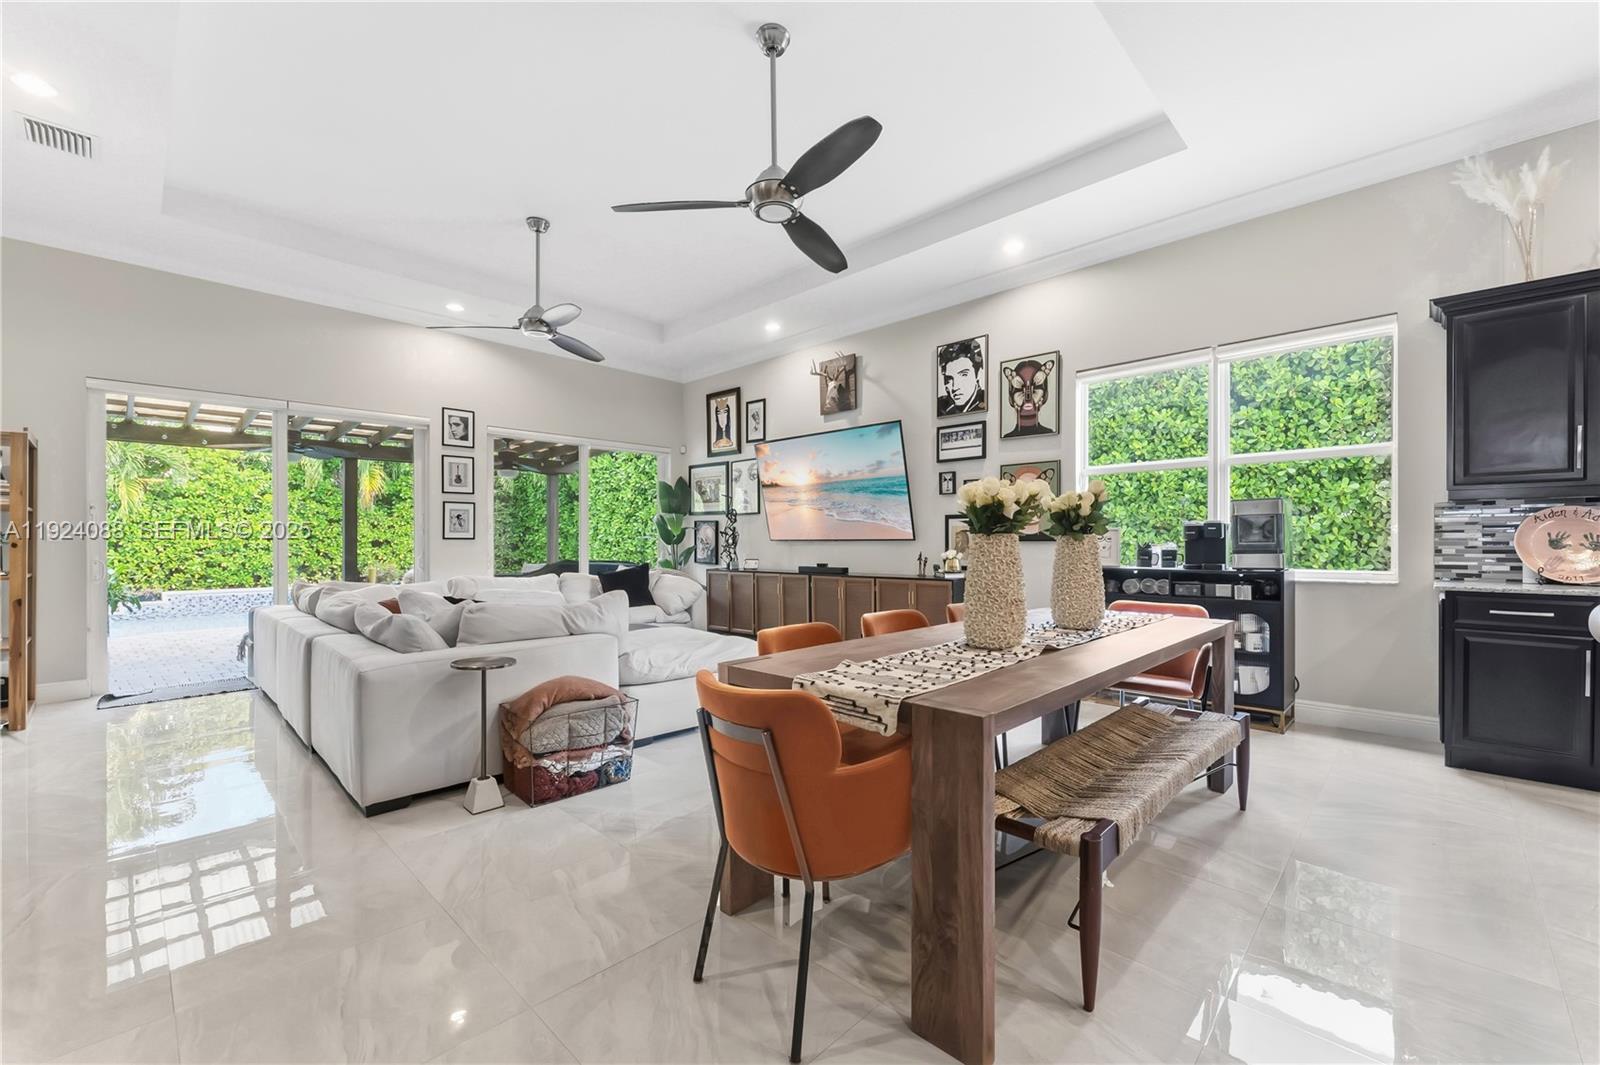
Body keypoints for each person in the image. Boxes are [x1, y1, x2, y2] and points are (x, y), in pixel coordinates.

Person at [937, 338, 986, 415]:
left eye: (963, 375)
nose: (955, 387)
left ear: (978, 374)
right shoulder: (940, 406)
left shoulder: (988, 400)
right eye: (949, 379)